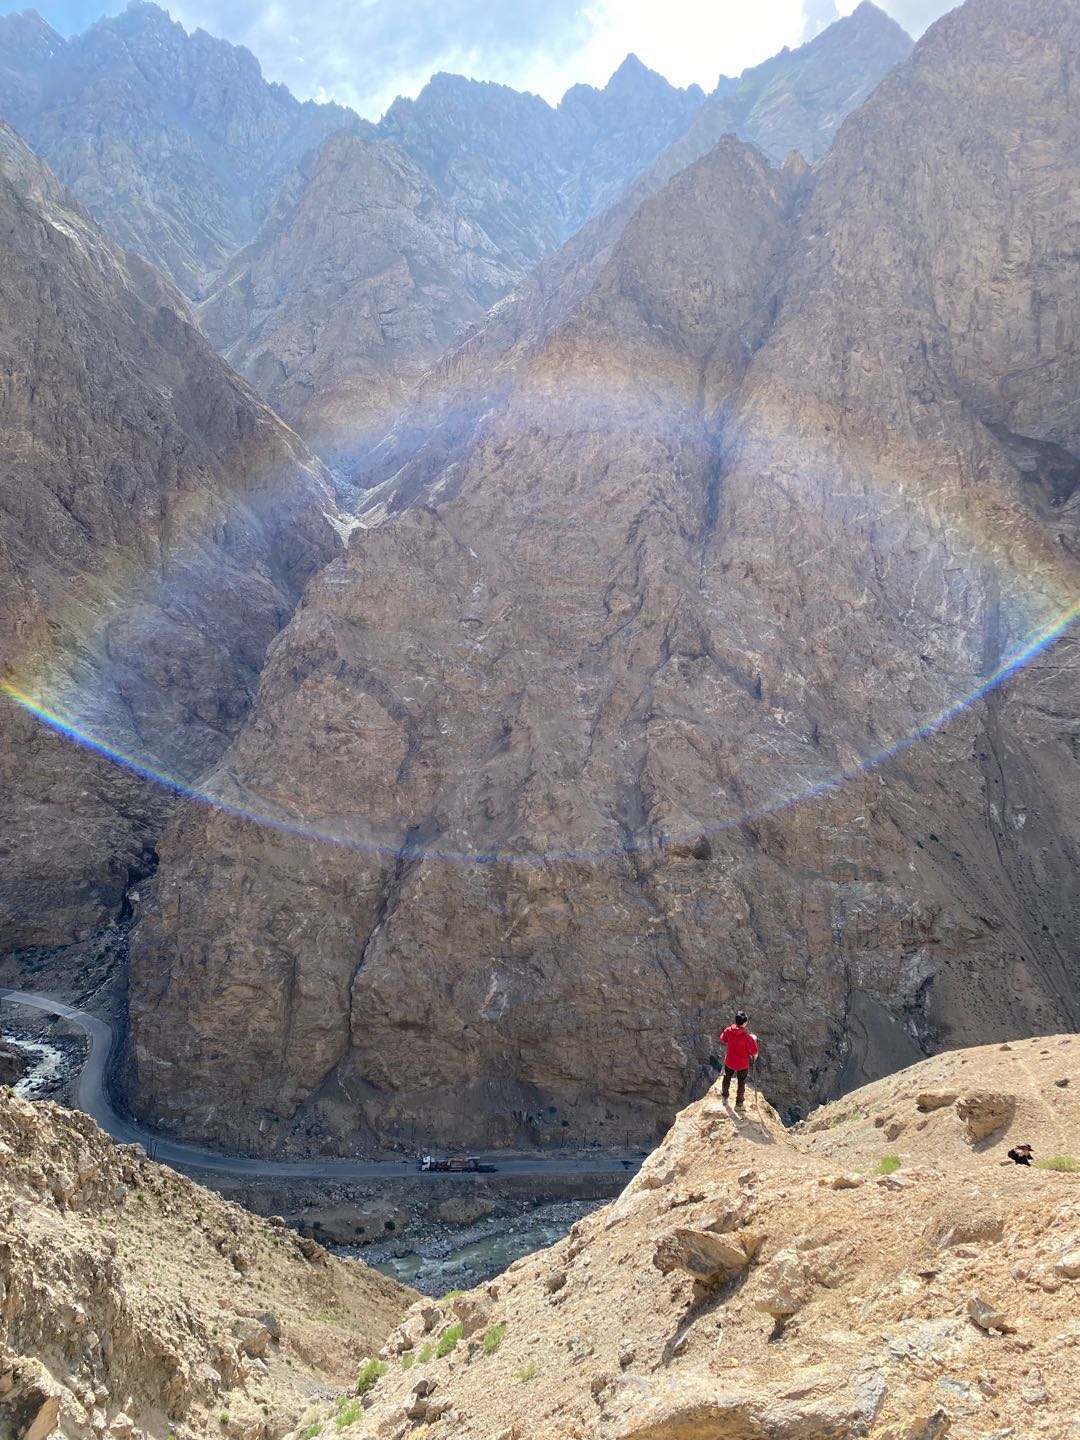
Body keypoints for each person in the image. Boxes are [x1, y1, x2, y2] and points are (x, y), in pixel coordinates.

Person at [719, 1011, 759, 1109]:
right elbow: (753, 1051)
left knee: (727, 1078)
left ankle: (724, 1097)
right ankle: (739, 1103)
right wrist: (754, 1040)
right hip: (742, 1064)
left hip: (730, 1061)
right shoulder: (747, 1038)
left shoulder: (728, 1030)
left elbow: (722, 1039)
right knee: (741, 1083)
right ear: (744, 1023)